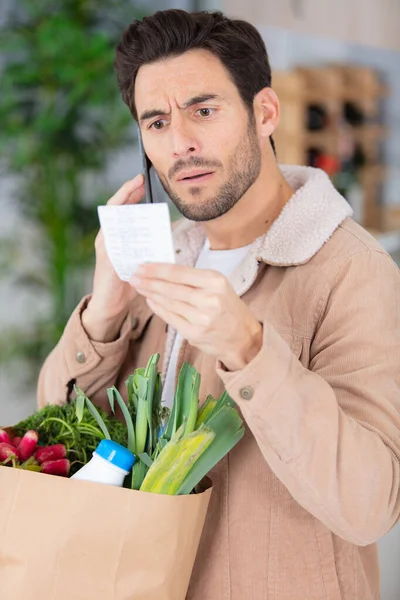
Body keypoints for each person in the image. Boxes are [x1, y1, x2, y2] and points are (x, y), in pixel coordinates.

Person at [38, 9, 400, 600]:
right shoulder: (158, 265)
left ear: (264, 113)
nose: (181, 143)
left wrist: (250, 349)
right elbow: (59, 441)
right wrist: (101, 316)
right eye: (156, 121)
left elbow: (371, 506)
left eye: (204, 111)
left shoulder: (354, 274)